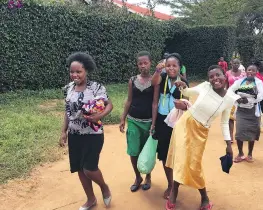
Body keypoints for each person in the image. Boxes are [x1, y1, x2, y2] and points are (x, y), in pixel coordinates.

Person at [165, 65, 245, 210]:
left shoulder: (229, 99)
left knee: (194, 165)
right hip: (185, 124)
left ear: (224, 76)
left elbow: (224, 122)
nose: (215, 79)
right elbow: (189, 91)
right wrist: (183, 86)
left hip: (201, 132)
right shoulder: (205, 86)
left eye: (218, 75)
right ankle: (174, 192)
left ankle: (204, 197)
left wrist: (228, 144)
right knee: (181, 158)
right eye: (211, 76)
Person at [59, 52, 112, 210]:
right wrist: (63, 132)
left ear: (86, 71)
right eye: (72, 72)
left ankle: (104, 186)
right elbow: (67, 112)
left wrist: (99, 115)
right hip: (75, 135)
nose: (74, 75)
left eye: (78, 72)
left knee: (89, 168)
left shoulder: (96, 87)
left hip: (93, 134)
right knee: (79, 169)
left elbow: (109, 105)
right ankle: (91, 199)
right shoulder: (68, 89)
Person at [119, 51, 160, 192]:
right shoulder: (132, 80)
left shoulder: (155, 81)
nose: (143, 66)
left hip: (148, 121)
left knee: (147, 151)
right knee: (133, 151)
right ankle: (138, 177)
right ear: (137, 65)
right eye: (140, 63)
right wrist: (123, 117)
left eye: (145, 63)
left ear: (150, 63)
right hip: (133, 121)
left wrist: (154, 123)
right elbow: (129, 100)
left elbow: (155, 103)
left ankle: (148, 176)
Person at [151, 52, 189, 200]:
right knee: (164, 155)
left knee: (178, 155)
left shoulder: (184, 81)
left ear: (180, 67)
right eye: (168, 65)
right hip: (162, 122)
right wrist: (158, 71)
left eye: (174, 65)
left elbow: (188, 103)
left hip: (178, 123)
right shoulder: (162, 78)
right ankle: (170, 185)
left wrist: (184, 102)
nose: (171, 68)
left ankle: (177, 183)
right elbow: (154, 87)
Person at [229, 65, 263, 163]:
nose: (250, 72)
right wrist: (238, 98)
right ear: (246, 71)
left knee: (252, 132)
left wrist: (248, 100)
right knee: (239, 132)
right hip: (241, 111)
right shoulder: (240, 81)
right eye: (249, 70)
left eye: (253, 70)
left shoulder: (258, 82)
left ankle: (250, 154)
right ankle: (240, 154)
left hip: (253, 111)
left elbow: (261, 95)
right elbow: (230, 91)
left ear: (256, 72)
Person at [226, 58, 246, 143]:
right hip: (231, 97)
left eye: (238, 63)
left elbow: (246, 86)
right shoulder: (227, 73)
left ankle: (241, 134)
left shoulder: (244, 74)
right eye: (234, 63)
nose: (236, 64)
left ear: (240, 64)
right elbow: (226, 85)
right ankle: (230, 136)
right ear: (231, 63)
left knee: (241, 117)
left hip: (241, 97)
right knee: (230, 117)